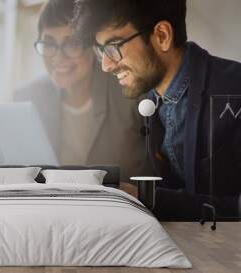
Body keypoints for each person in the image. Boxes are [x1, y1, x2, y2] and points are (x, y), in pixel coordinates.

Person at [72, 0, 241, 219]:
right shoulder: (151, 98)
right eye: (101, 50)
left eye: (113, 47)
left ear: (162, 36)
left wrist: (148, 199)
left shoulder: (233, 92)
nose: (106, 65)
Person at [15, 0, 148, 184]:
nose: (58, 57)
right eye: (49, 43)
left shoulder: (130, 92)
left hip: (114, 207)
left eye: (71, 44)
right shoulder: (26, 98)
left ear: (93, 47)